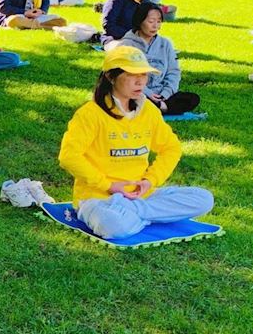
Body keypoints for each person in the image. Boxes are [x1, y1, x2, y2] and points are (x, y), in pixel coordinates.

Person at [58, 44, 214, 239]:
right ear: (111, 76)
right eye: (132, 75)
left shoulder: (148, 110)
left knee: (204, 199)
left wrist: (150, 181)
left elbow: (171, 148)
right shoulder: (90, 114)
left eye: (144, 75)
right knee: (113, 226)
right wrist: (109, 186)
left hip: (140, 195)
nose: (140, 81)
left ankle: (136, 212)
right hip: (98, 198)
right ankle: (143, 214)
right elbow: (69, 157)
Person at [118, 1, 200, 115]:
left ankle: (159, 106)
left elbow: (173, 71)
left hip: (162, 94)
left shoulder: (166, 43)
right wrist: (147, 93)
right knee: (128, 98)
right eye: (151, 21)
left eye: (159, 21)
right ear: (139, 21)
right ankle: (160, 108)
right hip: (138, 93)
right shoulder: (127, 44)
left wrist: (165, 93)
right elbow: (124, 75)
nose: (155, 26)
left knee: (192, 98)